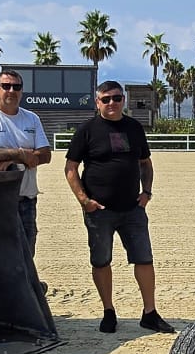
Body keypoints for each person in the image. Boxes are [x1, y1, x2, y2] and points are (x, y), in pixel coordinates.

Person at [65, 81, 176, 334]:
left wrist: (146, 193)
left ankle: (150, 313)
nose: (112, 103)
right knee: (101, 261)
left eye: (116, 98)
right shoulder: (87, 130)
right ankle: (108, 311)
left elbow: (146, 163)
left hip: (133, 210)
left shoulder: (134, 127)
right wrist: (84, 200)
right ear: (97, 102)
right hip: (99, 211)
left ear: (123, 99)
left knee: (144, 259)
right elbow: (71, 168)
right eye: (106, 99)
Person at [0, 68, 52, 254]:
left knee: (27, 252)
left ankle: (25, 283)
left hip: (26, 197)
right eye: (6, 86)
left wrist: (10, 156)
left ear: (21, 90)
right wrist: (20, 154)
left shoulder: (32, 118)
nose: (11, 90)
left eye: (16, 86)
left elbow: (46, 155)